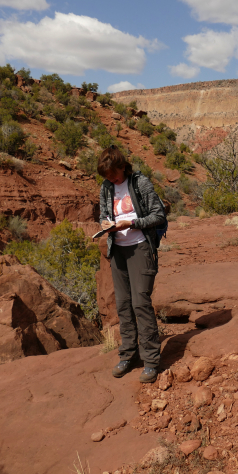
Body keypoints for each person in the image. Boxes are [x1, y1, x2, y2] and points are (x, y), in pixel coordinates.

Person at [97, 145, 166, 383]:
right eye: (107, 176)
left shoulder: (140, 183)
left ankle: (151, 360)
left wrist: (131, 223)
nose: (111, 179)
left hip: (140, 248)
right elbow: (103, 214)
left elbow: (159, 215)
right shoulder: (106, 187)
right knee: (123, 305)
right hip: (117, 250)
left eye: (113, 174)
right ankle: (128, 355)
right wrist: (106, 224)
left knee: (140, 304)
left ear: (122, 166)